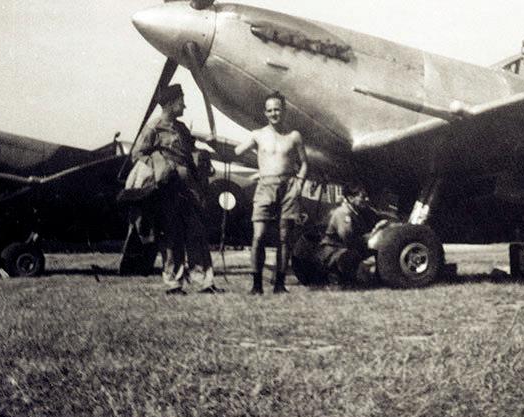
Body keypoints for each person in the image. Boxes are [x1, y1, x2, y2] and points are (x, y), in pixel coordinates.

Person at [131, 84, 219, 294]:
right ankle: (173, 283)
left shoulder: (182, 128)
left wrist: (202, 156)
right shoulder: (153, 128)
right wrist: (160, 164)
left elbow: (190, 152)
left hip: (189, 188)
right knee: (172, 235)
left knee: (196, 232)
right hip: (168, 189)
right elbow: (138, 154)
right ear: (170, 103)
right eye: (181, 101)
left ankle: (204, 282)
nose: (184, 106)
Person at [235, 91, 308, 294]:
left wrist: (299, 184)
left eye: (277, 109)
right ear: (265, 113)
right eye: (270, 110)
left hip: (288, 187)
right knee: (258, 236)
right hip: (265, 187)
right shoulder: (257, 135)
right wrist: (214, 141)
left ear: (284, 111)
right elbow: (237, 151)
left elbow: (304, 163)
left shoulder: (294, 136)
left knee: (284, 238)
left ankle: (280, 284)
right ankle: (257, 285)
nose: (274, 113)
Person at [319, 183, 382, 286]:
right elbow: (348, 238)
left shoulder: (358, 211)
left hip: (346, 249)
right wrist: (371, 236)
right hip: (334, 251)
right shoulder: (343, 213)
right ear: (350, 198)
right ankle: (336, 275)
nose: (367, 199)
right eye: (362, 197)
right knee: (352, 257)